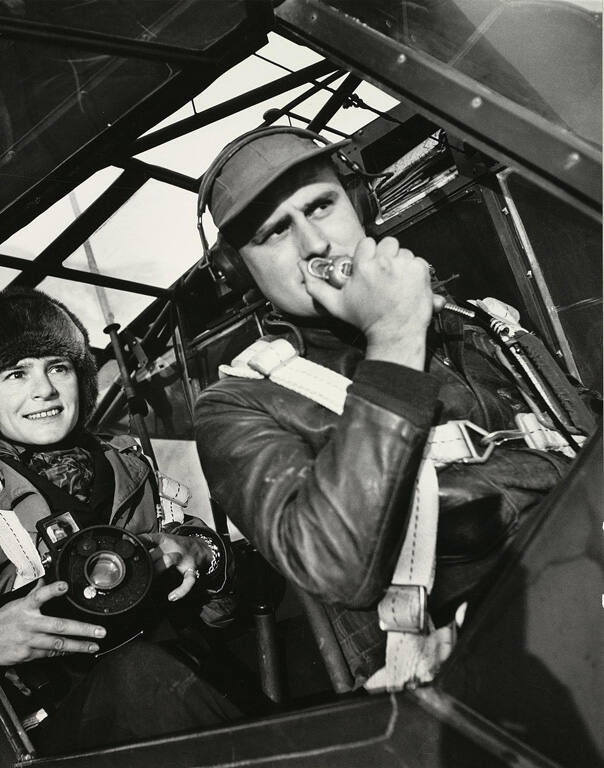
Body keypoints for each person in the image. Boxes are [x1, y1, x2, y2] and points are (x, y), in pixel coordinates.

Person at [193, 128, 593, 688]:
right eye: (275, 232)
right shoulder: (239, 403)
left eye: (321, 206)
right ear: (240, 270)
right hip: (478, 666)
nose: (314, 245)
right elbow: (337, 566)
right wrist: (394, 337)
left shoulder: (479, 323)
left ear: (360, 206)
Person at [0, 287, 243, 753]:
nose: (43, 389)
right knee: (144, 674)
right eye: (15, 374)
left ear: (81, 381)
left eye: (58, 368)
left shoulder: (130, 465)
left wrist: (199, 551)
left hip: (184, 681)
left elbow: (222, 615)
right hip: (62, 733)